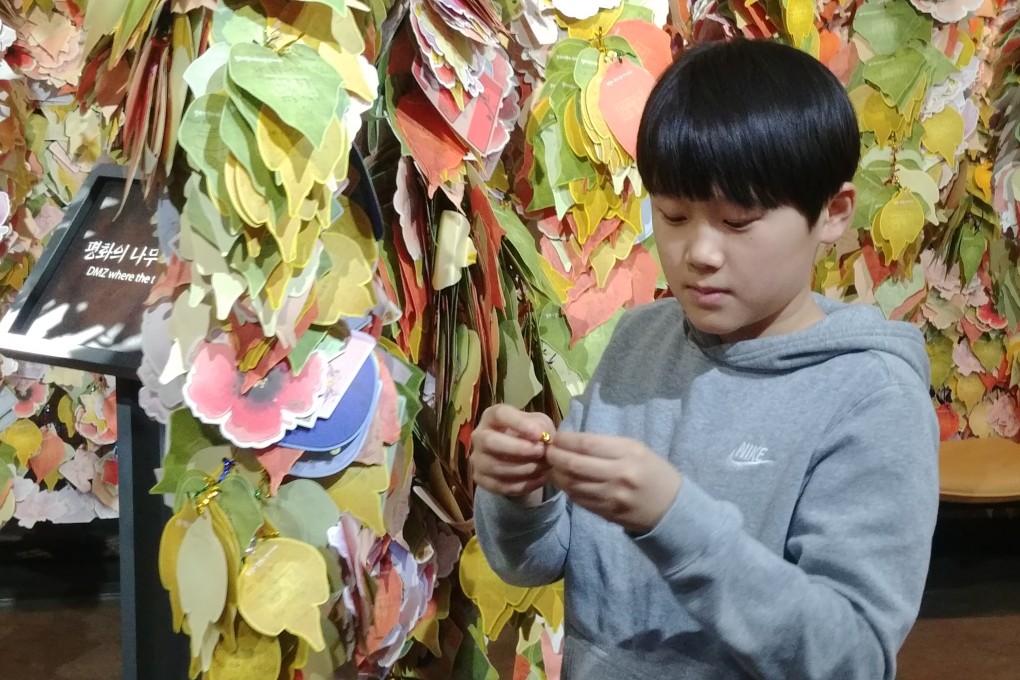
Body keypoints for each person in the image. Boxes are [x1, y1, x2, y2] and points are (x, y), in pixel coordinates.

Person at [471, 38, 939, 680]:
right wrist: (521, 494)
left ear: (832, 214)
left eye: (739, 220)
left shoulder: (870, 395)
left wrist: (675, 519)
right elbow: (537, 561)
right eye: (673, 215)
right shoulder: (639, 341)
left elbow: (850, 657)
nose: (700, 252)